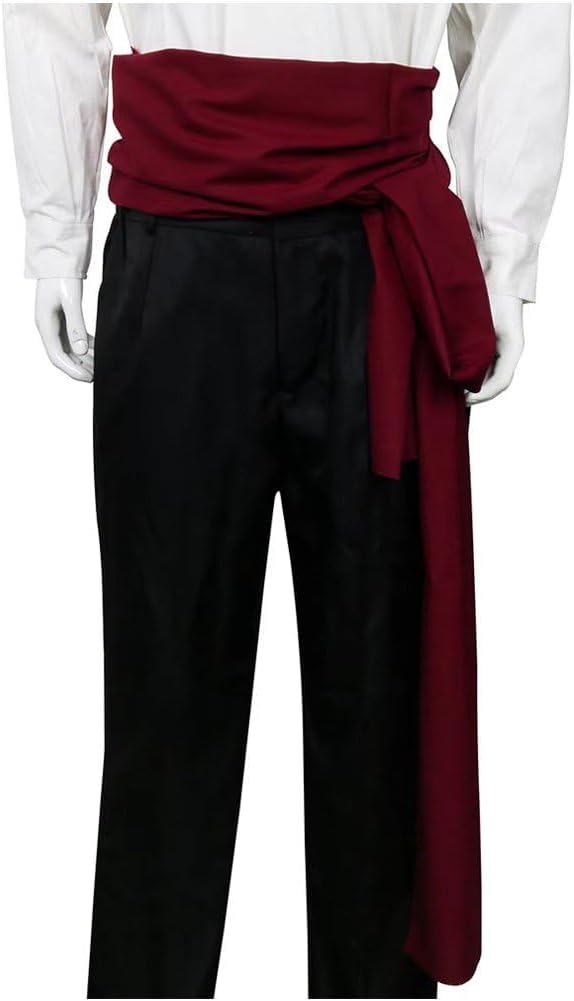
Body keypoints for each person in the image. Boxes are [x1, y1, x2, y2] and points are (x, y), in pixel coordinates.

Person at [3, 5, 570, 999]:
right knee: (163, 698)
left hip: (375, 256)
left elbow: (527, 14)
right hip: (177, 238)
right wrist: (56, 235)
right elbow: (49, 12)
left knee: (380, 696)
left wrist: (503, 245)